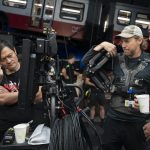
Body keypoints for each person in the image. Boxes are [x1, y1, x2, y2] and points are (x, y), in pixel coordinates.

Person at [82, 25, 150, 150]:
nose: (123, 45)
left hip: (138, 125)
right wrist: (100, 46)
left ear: (139, 40)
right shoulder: (115, 59)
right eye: (122, 41)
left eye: (127, 41)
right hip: (112, 121)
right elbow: (85, 64)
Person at [0, 40, 42, 141]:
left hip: (30, 127)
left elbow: (39, 95)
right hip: (5, 129)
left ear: (14, 51)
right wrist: (29, 92)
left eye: (10, 55)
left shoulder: (30, 70)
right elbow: (1, 99)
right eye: (3, 59)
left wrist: (9, 96)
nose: (9, 61)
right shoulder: (1, 76)